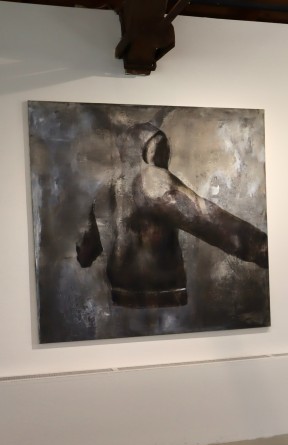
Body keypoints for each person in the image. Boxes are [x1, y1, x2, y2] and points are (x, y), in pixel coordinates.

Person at [77, 120, 269, 314]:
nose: (165, 157)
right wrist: (265, 250)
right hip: (163, 304)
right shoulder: (152, 179)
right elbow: (209, 220)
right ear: (144, 151)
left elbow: (85, 256)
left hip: (120, 301)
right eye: (160, 149)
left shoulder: (103, 192)